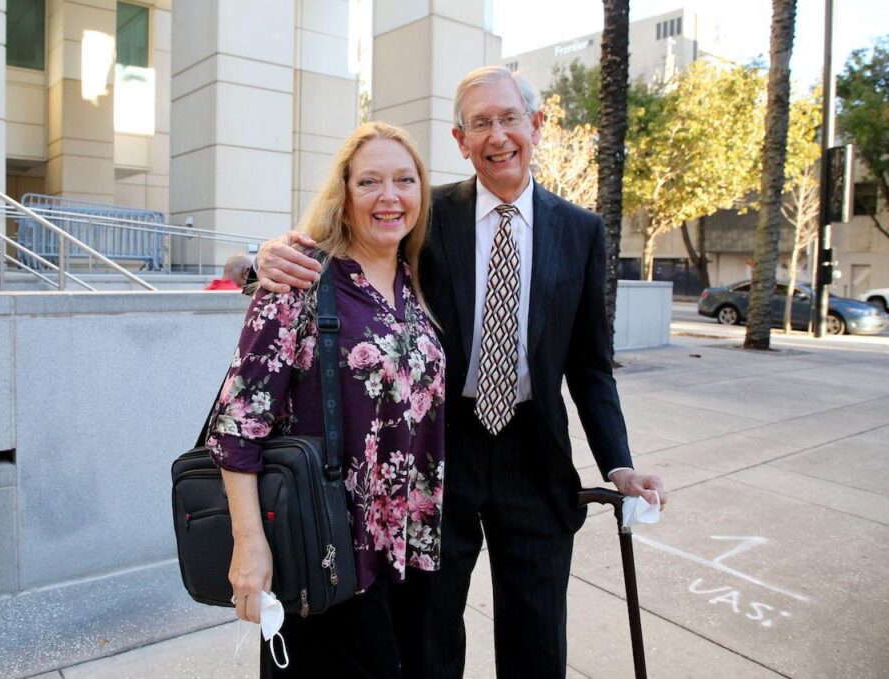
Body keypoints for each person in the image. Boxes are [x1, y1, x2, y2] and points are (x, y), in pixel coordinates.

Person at [253, 66, 667, 678]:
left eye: (508, 119)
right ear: (460, 139)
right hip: (440, 447)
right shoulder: (426, 214)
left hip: (535, 453)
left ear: (537, 125)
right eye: (480, 124)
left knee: (537, 633)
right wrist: (262, 258)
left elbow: (589, 367)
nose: (497, 136)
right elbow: (346, 245)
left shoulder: (581, 231)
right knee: (429, 627)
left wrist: (619, 462)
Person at [205, 121, 446, 678]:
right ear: (345, 195)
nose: (390, 196)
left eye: (405, 180)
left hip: (409, 553)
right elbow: (239, 423)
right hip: (327, 548)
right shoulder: (302, 281)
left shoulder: (415, 281)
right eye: (371, 182)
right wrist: (249, 546)